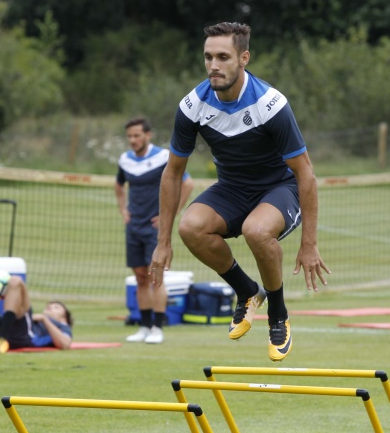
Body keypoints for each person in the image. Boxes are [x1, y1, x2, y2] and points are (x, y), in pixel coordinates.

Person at [150, 22, 330, 362]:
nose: (214, 65)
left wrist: (309, 244)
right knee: (190, 227)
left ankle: (278, 313)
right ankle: (247, 291)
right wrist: (163, 243)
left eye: (223, 57)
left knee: (256, 231)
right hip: (232, 189)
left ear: (243, 58)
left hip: (280, 189)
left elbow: (305, 173)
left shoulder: (270, 104)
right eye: (208, 57)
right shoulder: (193, 105)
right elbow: (173, 173)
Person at [116, 117, 194, 344]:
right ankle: (144, 326)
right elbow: (118, 185)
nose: (133, 140)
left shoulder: (163, 157)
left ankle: (158, 328)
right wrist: (124, 210)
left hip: (155, 229)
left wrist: (170, 215)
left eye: (137, 135)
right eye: (129, 136)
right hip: (134, 227)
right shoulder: (125, 160)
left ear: (147, 135)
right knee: (140, 277)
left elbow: (187, 183)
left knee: (155, 278)